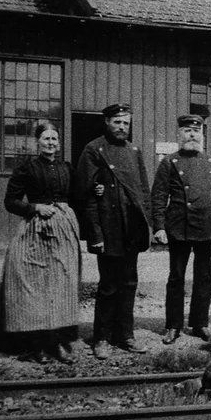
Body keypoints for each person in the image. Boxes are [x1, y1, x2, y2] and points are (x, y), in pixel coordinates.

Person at [75, 103, 152, 359]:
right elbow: (84, 197)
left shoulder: (134, 150)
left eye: (126, 123)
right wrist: (94, 234)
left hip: (131, 229)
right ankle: (102, 338)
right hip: (108, 229)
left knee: (129, 284)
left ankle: (125, 335)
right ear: (106, 122)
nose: (122, 127)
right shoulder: (93, 150)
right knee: (108, 285)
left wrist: (147, 227)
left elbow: (143, 192)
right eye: (117, 122)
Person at [1, 122, 81, 364]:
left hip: (64, 232)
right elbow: (10, 201)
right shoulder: (27, 169)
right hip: (34, 231)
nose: (50, 143)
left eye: (54, 139)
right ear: (38, 142)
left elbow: (79, 196)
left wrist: (96, 190)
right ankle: (38, 346)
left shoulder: (68, 168)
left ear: (58, 142)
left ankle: (57, 342)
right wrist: (34, 207)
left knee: (61, 285)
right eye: (46, 138)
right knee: (35, 286)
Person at [151, 114, 211, 345]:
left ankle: (200, 323)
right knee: (176, 277)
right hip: (179, 226)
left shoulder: (209, 162)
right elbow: (158, 196)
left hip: (205, 226)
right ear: (180, 134)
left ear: (202, 135)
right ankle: (173, 326)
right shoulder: (169, 162)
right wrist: (159, 226)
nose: (192, 135)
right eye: (187, 131)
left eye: (196, 131)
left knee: (204, 276)